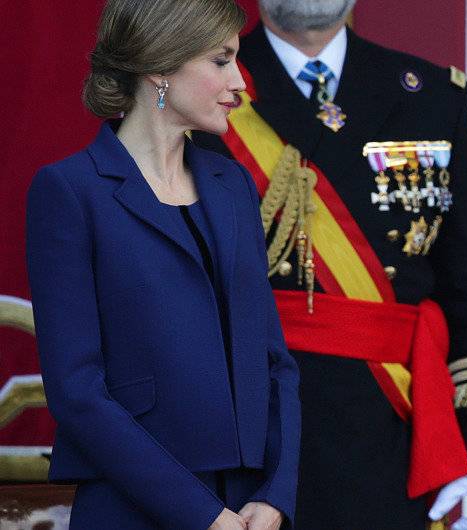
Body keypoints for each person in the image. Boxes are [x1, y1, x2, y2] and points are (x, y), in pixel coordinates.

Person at [190, 0, 467, 527]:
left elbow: (466, 277)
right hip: (245, 425)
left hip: (393, 428)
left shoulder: (430, 93)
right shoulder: (197, 86)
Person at [24, 0, 300, 529]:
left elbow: (275, 361)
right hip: (133, 505)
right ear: (159, 66)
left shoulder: (233, 185)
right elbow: (77, 390)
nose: (239, 82)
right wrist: (203, 515)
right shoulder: (70, 191)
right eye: (221, 61)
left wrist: (276, 496)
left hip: (250, 507)